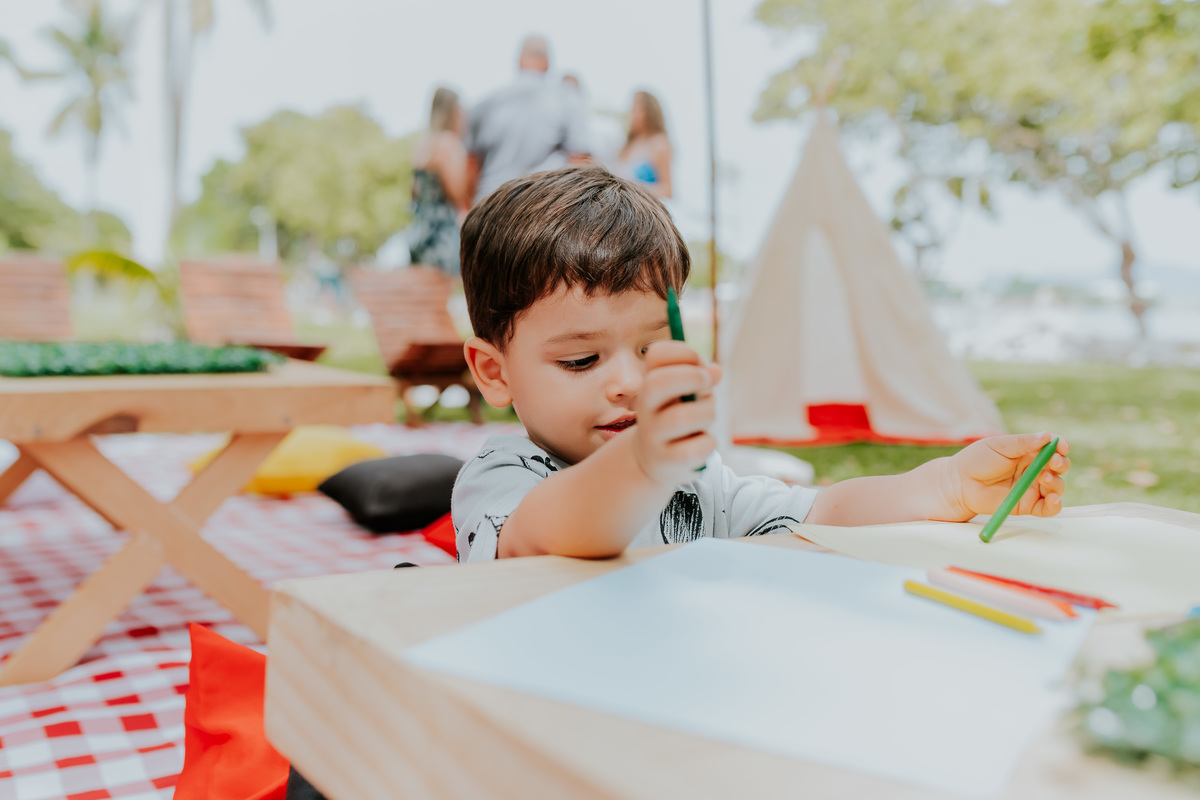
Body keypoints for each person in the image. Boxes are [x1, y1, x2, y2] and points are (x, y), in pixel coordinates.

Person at [452, 166, 1071, 561]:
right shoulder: (500, 480)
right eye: (582, 360)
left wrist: (943, 487)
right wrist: (645, 461)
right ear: (494, 372)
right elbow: (560, 532)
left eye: (652, 349)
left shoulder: (695, 482)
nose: (631, 383)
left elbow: (822, 513)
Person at [465, 35, 591, 203]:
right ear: (547, 64)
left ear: (519, 61)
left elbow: (471, 166)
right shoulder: (566, 100)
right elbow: (579, 161)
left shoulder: (484, 104)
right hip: (537, 210)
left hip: (489, 205)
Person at [408, 87, 470, 275]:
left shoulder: (422, 145)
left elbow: (413, 192)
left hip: (420, 232)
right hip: (443, 235)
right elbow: (458, 193)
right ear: (454, 113)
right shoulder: (449, 144)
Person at [616, 90, 673, 198]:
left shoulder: (659, 143)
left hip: (645, 208)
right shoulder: (629, 144)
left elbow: (668, 190)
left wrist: (633, 188)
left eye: (635, 109)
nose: (631, 114)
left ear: (649, 112)